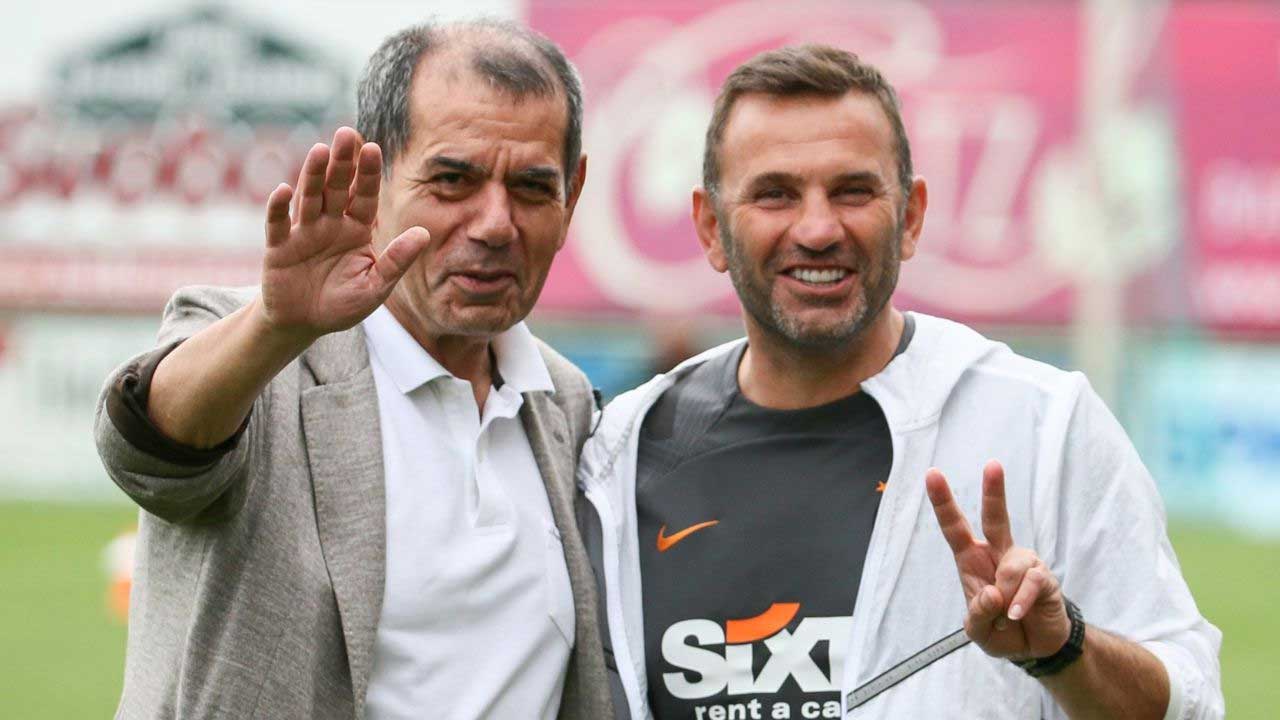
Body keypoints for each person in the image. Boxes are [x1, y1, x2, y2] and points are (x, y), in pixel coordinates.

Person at [579, 45, 1222, 719]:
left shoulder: (1043, 427)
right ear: (711, 228)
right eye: (775, 194)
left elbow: (1192, 704)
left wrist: (1064, 652)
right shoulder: (624, 454)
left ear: (911, 216)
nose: (818, 229)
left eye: (853, 191)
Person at [94, 19, 613, 720]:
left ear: (571, 196)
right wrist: (273, 329)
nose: (496, 223)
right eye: (453, 179)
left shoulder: (565, 404)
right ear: (376, 174)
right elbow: (146, 446)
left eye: (530, 187)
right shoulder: (264, 352)